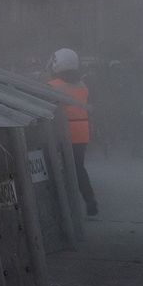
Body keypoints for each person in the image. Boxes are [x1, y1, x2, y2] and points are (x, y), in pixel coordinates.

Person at [48, 47, 99, 216]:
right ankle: (89, 200)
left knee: (58, 168)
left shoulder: (52, 86)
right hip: (82, 132)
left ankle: (63, 205)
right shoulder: (83, 85)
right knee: (78, 168)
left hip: (62, 132)